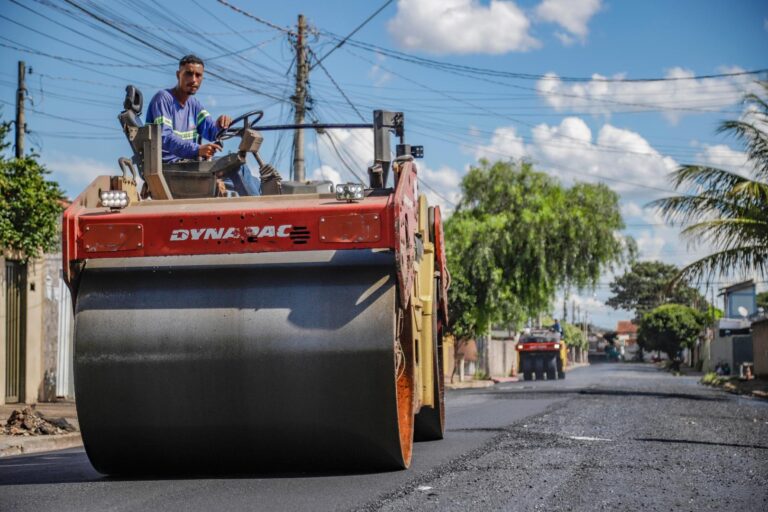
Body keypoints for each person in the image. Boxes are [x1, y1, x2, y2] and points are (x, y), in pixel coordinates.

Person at [146, 54, 261, 195]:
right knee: (237, 168)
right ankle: (261, 214)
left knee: (253, 181)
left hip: (190, 164)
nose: (193, 80)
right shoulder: (164, 99)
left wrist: (220, 124)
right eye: (188, 74)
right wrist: (197, 149)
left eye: (198, 75)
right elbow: (165, 138)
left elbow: (212, 132)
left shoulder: (193, 105)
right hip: (171, 167)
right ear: (178, 75)